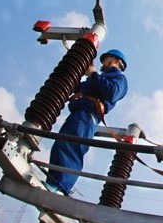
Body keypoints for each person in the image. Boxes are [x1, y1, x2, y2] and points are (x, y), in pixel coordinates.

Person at [45, 49, 129, 195]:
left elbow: (112, 92)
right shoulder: (98, 79)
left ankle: (60, 187)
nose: (102, 63)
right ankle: (52, 182)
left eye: (105, 59)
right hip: (78, 113)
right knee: (60, 145)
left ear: (115, 61)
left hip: (88, 117)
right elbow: (77, 87)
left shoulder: (120, 79)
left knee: (72, 147)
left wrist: (93, 74)